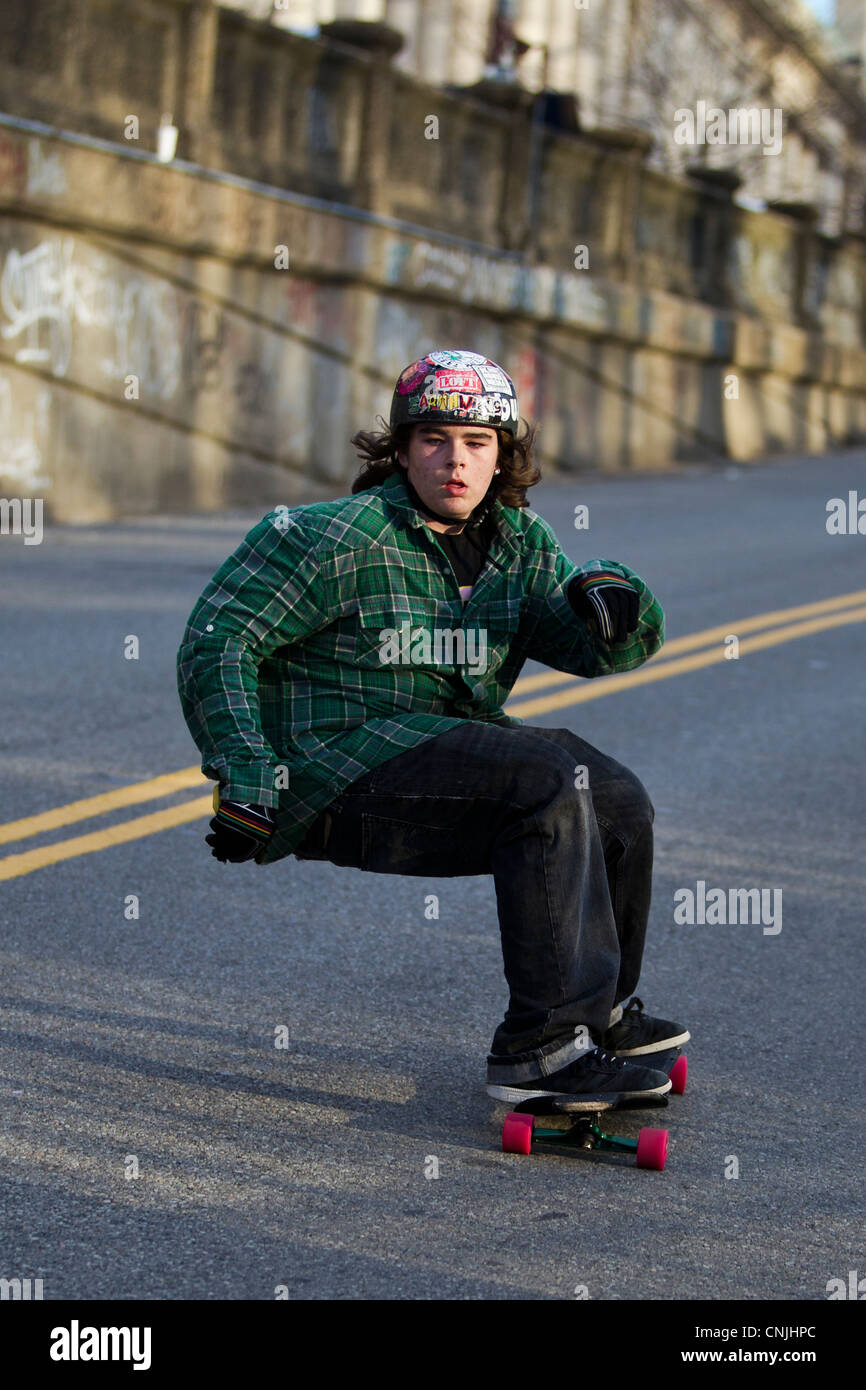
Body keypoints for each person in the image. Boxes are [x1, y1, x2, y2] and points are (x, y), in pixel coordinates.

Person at [177, 348, 689, 1106]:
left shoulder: (519, 544)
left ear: (502, 454)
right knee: (544, 780)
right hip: (333, 772)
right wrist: (250, 774)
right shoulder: (330, 537)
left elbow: (587, 644)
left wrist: (616, 608)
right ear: (402, 448)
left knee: (612, 796)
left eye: (478, 443)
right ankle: (541, 1051)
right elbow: (218, 642)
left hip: (442, 760)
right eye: (433, 440)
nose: (456, 461)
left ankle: (597, 1014)